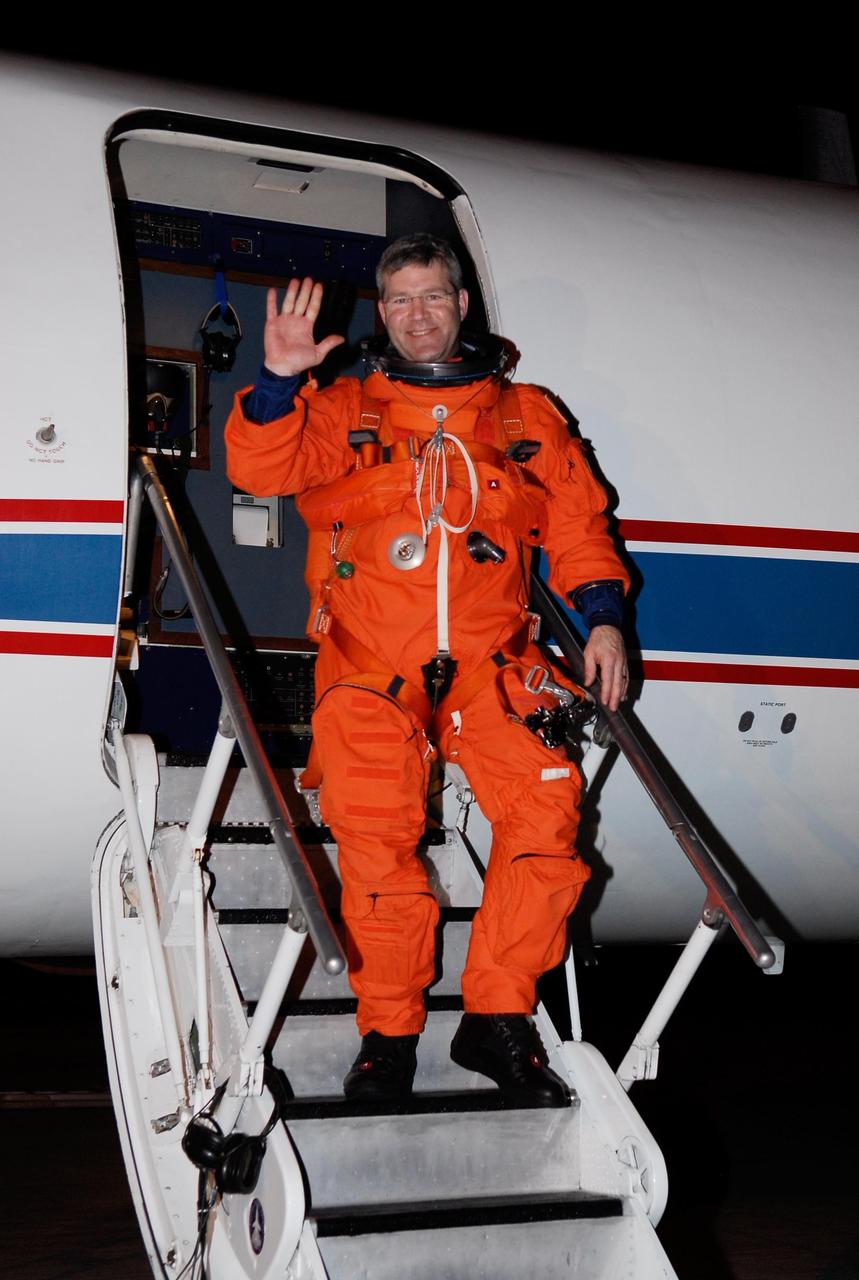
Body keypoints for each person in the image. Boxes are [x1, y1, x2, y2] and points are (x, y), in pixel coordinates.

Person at [225, 233, 630, 1106]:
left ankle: (496, 1017)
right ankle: (390, 1032)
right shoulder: (345, 410)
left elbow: (578, 527)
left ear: (461, 306)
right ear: (384, 312)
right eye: (401, 300)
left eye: (433, 298)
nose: (418, 315)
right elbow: (261, 463)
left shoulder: (525, 416)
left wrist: (602, 623)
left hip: (495, 664)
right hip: (372, 666)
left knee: (547, 822)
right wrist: (276, 382)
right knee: (379, 852)